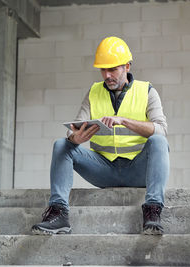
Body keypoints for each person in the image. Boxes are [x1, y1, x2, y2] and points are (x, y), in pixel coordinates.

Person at [31, 36, 169, 235]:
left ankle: (152, 210)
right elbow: (73, 128)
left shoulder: (147, 91)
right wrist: (74, 138)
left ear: (127, 66)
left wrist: (124, 120)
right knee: (61, 145)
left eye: (112, 69)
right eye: (103, 69)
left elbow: (161, 129)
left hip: (138, 170)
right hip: (103, 170)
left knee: (158, 141)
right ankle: (59, 213)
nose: (107, 75)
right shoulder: (93, 92)